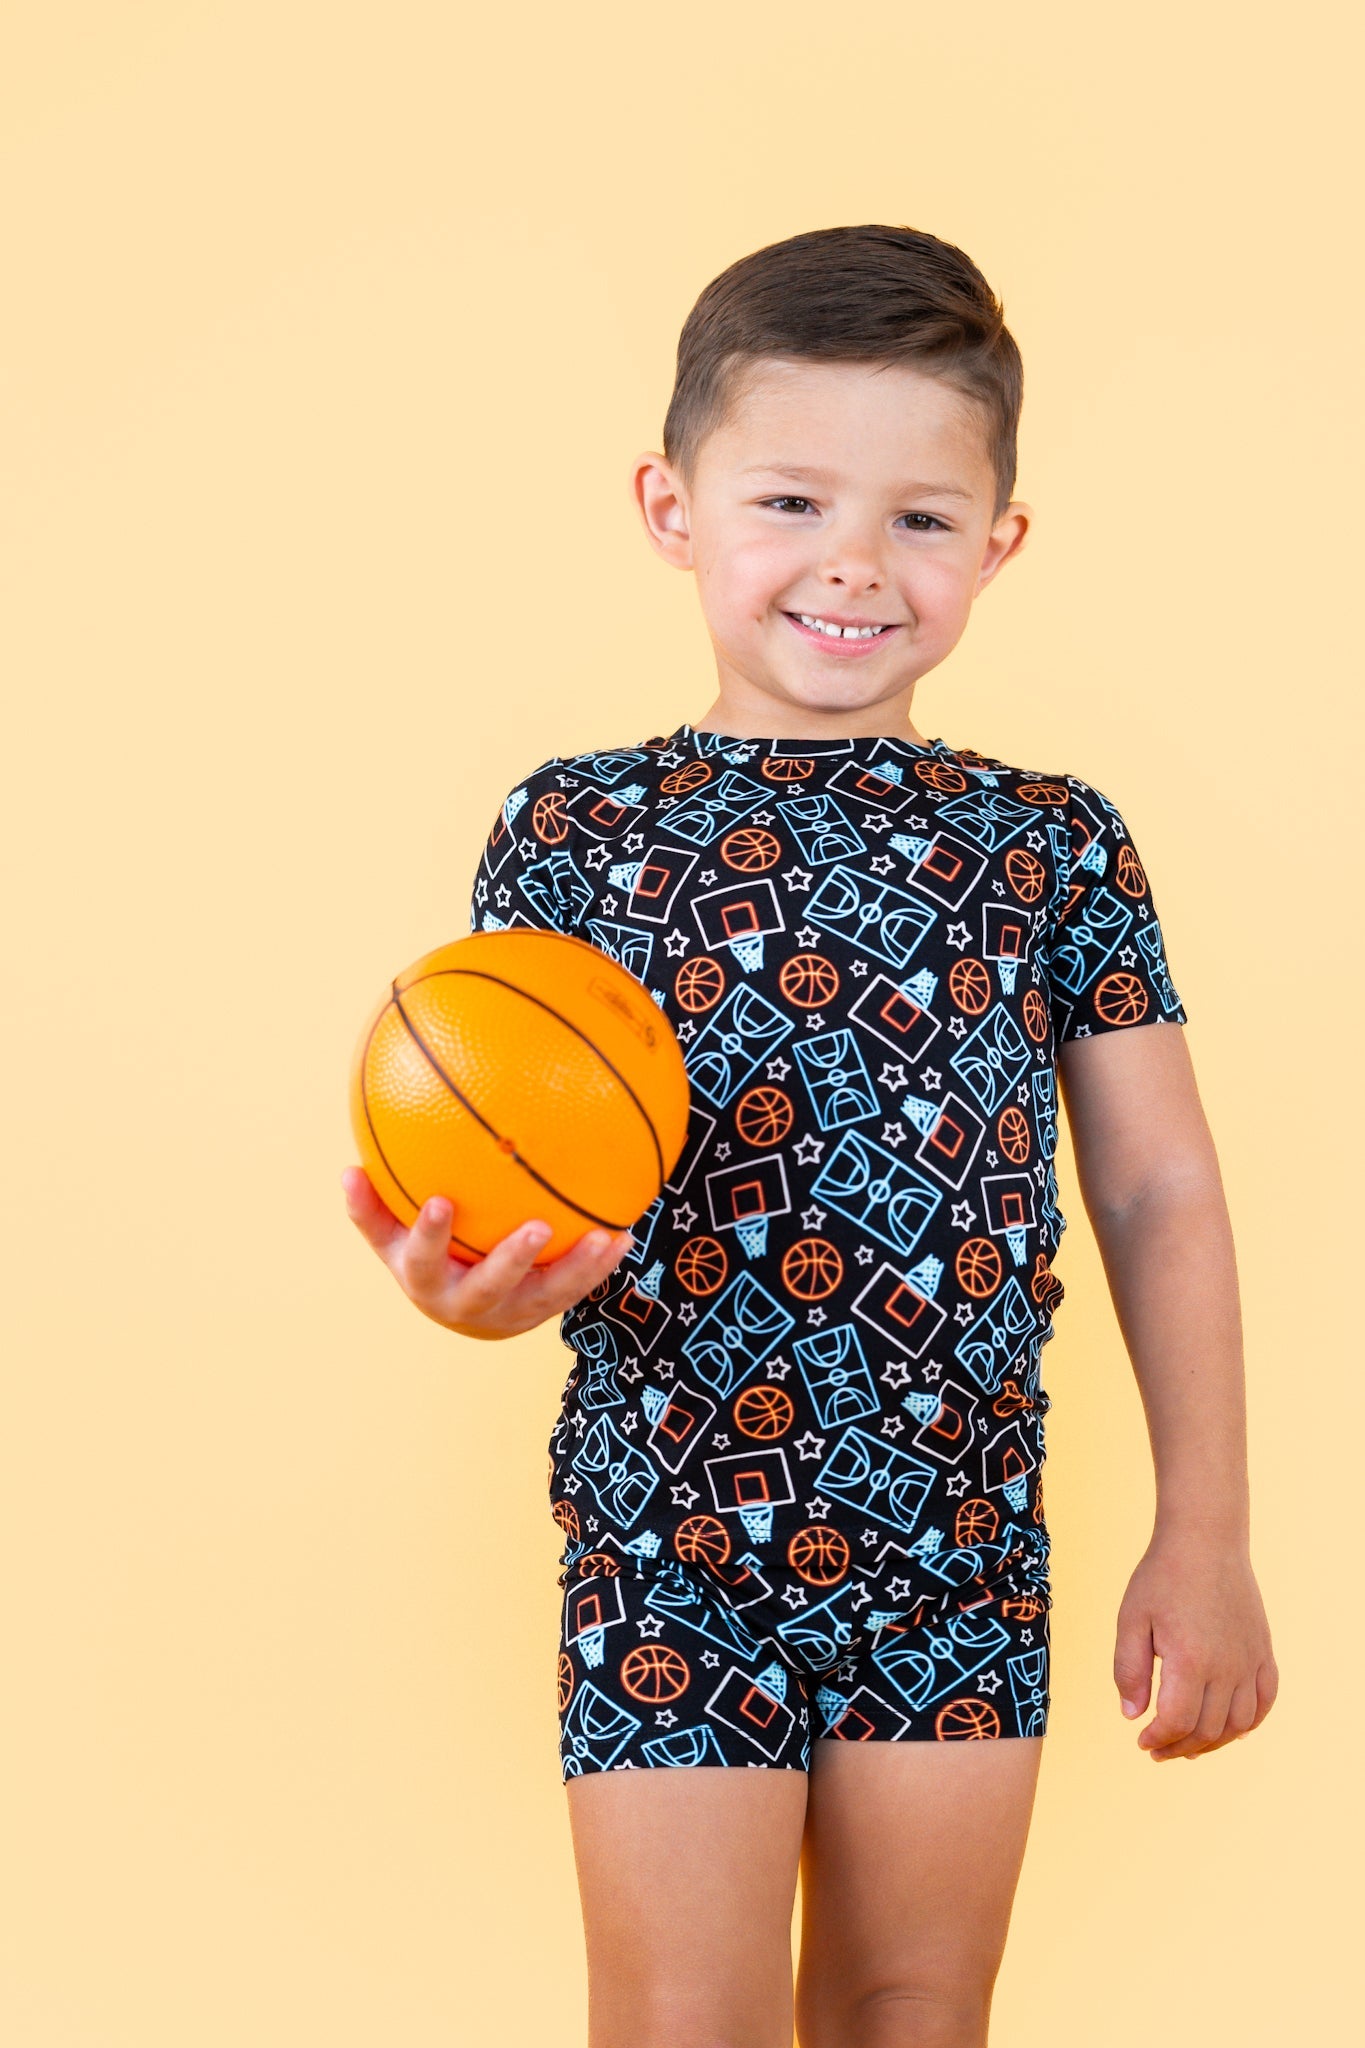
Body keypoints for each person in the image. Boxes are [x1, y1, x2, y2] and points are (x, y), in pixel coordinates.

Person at [342, 224, 1278, 2048]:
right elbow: (516, 1173)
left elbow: (1159, 1183)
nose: (852, 562)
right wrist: (472, 1293)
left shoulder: (1051, 843)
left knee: (910, 2012)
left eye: (920, 517)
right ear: (671, 506)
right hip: (666, 1526)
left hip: (956, 1529)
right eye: (789, 501)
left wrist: (1206, 1531)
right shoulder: (572, 833)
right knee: (677, 2018)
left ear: (997, 544)